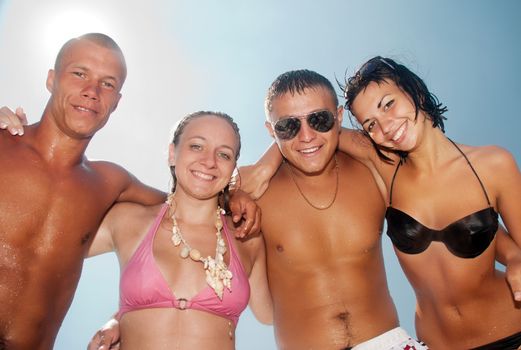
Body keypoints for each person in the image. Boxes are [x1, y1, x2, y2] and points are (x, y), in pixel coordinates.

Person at [0, 34, 258, 350]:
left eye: (107, 84)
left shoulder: (109, 183)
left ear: (117, 101)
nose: (92, 91)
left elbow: (185, 201)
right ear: (51, 79)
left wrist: (231, 194)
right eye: (79, 73)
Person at [241, 59, 521, 349]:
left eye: (388, 104)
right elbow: (307, 141)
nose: (386, 126)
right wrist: (264, 167)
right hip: (437, 342)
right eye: (370, 124)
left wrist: (515, 256)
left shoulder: (485, 165)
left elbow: (473, 223)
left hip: (494, 334)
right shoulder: (382, 168)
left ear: (416, 92)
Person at [87, 111, 271, 349]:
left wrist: (279, 152)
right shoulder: (128, 221)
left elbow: (271, 315)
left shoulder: (246, 237)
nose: (209, 161)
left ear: (233, 169)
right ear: (173, 153)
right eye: (196, 146)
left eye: (224, 154)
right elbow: (44, 247)